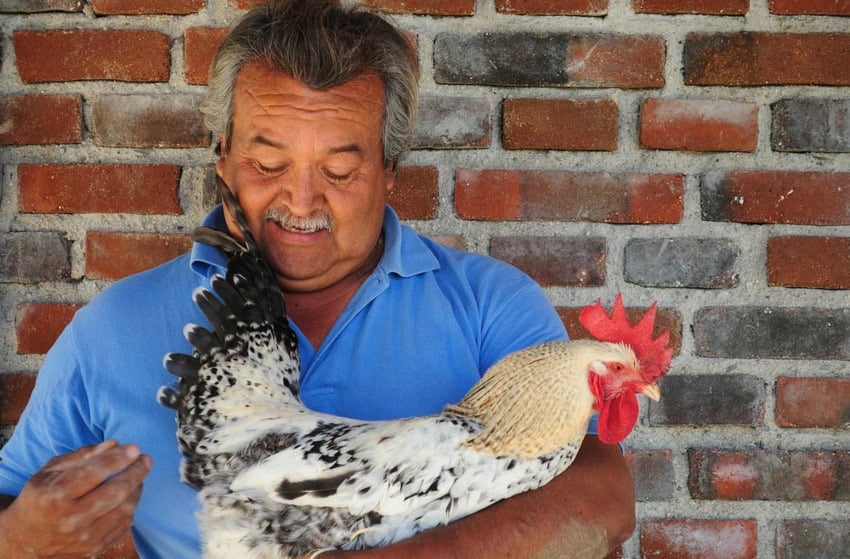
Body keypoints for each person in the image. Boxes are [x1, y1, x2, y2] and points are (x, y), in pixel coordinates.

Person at [0, 1, 635, 557]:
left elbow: (602, 498)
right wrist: (26, 539)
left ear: (391, 170)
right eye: (268, 161)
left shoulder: (490, 304)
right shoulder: (115, 327)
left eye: (338, 171)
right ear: (222, 154)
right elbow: (10, 501)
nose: (300, 201)